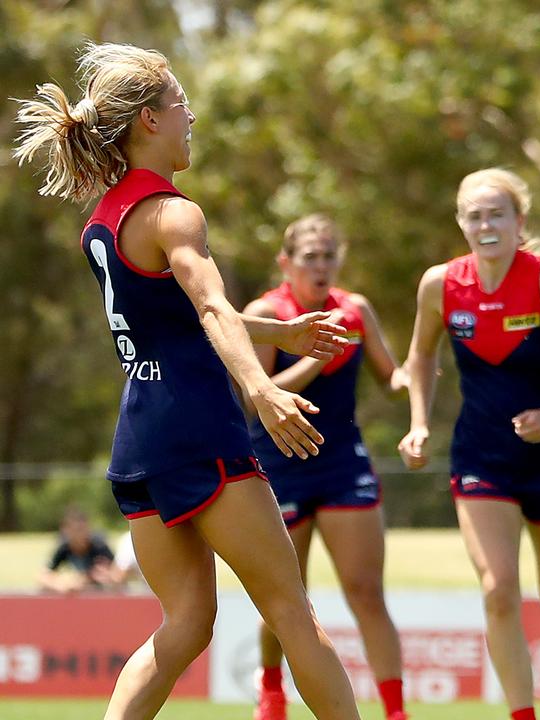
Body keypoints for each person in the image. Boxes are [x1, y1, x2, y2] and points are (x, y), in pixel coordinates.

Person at [12, 42, 360, 720]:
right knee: (291, 611)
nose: (189, 114)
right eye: (180, 104)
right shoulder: (176, 213)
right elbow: (206, 307)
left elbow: (173, 319)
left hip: (141, 440)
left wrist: (278, 334)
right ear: (148, 119)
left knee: (187, 623)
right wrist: (261, 387)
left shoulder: (101, 223)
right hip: (201, 428)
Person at [397, 167, 540, 720]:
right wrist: (419, 422)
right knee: (499, 589)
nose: (486, 224)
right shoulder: (440, 284)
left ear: (519, 222)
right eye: (475, 215)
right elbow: (421, 356)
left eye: (497, 214)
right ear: (461, 223)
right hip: (481, 458)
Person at [244, 214, 409, 720]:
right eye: (309, 257)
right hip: (281, 463)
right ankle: (272, 691)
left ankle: (396, 711)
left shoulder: (355, 310)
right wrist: (317, 354)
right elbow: (259, 398)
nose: (320, 266)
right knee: (287, 596)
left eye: (328, 256)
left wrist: (417, 370)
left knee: (365, 590)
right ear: (286, 263)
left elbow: (390, 377)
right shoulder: (266, 312)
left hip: (342, 464)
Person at [38, 506, 115, 594]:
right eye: (76, 530)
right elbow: (43, 576)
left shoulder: (99, 547)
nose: (81, 535)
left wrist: (104, 575)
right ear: (66, 530)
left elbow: (117, 574)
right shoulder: (64, 548)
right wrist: (60, 585)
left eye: (83, 529)